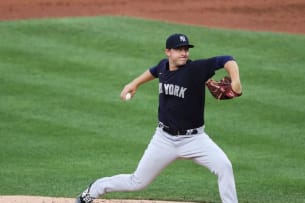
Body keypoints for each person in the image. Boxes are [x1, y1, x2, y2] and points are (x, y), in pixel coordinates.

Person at [75, 33, 242, 203]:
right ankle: (95, 189)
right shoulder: (164, 66)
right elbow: (154, 71)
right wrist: (134, 84)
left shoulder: (196, 69)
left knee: (224, 167)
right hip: (164, 139)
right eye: (179, 50)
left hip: (195, 139)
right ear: (167, 52)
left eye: (186, 49)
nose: (184, 53)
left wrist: (235, 80)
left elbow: (227, 60)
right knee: (137, 182)